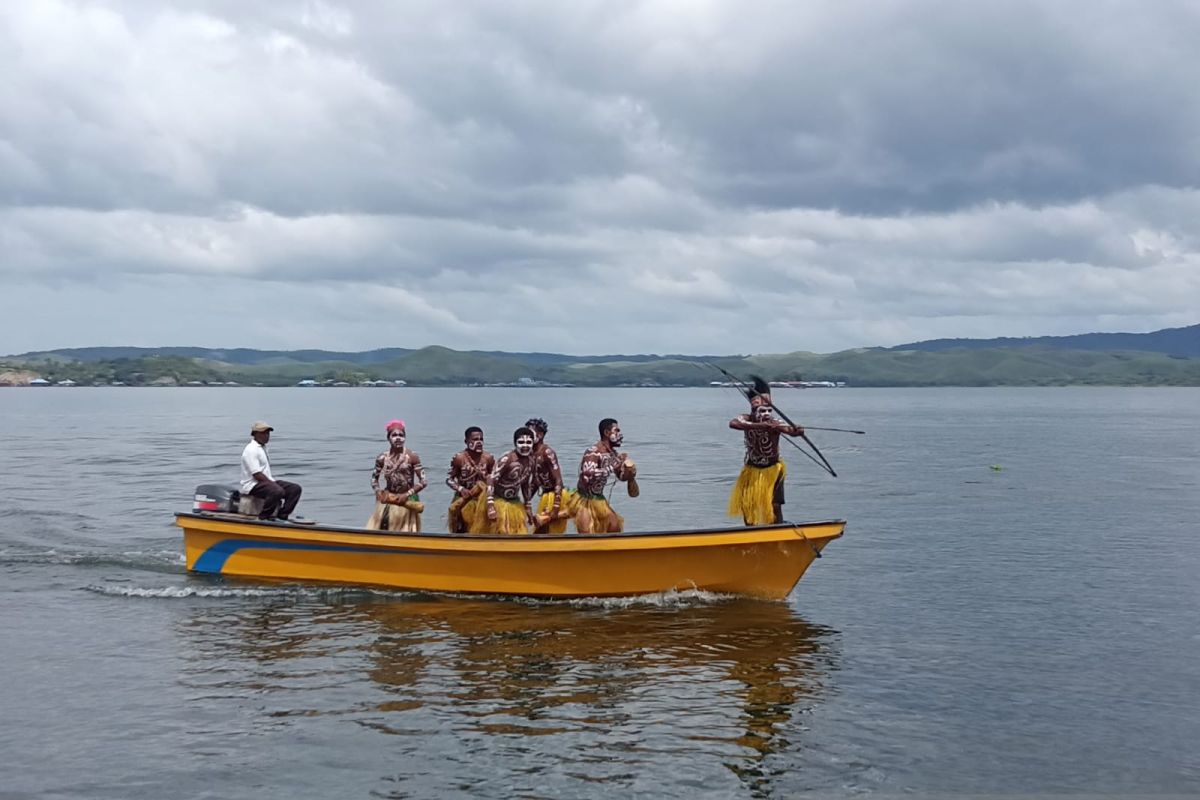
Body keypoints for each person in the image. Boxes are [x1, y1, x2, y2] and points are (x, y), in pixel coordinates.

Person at [728, 380, 804, 525]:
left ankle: (778, 530)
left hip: (773, 469)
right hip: (752, 469)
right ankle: (750, 531)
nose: (767, 414)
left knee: (775, 505)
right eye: (762, 411)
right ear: (753, 410)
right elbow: (733, 424)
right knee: (748, 504)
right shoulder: (746, 419)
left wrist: (798, 431)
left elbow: (789, 430)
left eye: (769, 410)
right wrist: (761, 425)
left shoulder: (775, 423)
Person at [574, 418, 637, 534]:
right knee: (587, 532)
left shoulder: (612, 454)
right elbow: (587, 476)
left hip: (599, 499)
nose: (619, 434)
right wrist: (612, 466)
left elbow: (620, 476)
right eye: (616, 431)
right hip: (584, 499)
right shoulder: (593, 452)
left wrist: (629, 473)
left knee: (614, 527)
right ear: (607, 433)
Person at [366, 420, 428, 532]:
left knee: (407, 531)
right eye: (394, 435)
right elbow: (374, 479)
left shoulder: (412, 456)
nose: (398, 438)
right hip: (389, 499)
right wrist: (377, 491)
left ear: (405, 437)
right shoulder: (382, 458)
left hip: (407, 500)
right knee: (383, 527)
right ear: (388, 438)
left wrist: (406, 494)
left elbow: (423, 481)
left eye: (401, 435)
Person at [240, 420, 303, 521]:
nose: (267, 436)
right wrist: (273, 485)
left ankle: (282, 516)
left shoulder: (262, 448)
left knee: (295, 489)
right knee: (277, 491)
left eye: (268, 433)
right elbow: (257, 474)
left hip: (266, 482)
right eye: (263, 433)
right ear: (255, 434)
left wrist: (272, 483)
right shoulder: (251, 449)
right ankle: (264, 517)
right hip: (252, 485)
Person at [526, 417, 578, 534]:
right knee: (540, 530)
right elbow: (535, 481)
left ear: (540, 435)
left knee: (547, 530)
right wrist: (526, 502)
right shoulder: (530, 454)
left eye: (530, 433)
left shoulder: (547, 453)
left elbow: (558, 480)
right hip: (545, 494)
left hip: (555, 495)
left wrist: (555, 507)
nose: (526, 436)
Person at [483, 427, 537, 535]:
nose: (525, 446)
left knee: (519, 532)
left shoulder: (531, 461)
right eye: (521, 442)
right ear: (515, 443)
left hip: (514, 502)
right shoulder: (507, 459)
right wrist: (490, 506)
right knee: (502, 532)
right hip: (498, 501)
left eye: (529, 442)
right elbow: (491, 480)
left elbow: (525, 484)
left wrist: (528, 507)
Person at [446, 426, 495, 533]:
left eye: (481, 439)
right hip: (463, 500)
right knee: (461, 530)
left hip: (482, 501)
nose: (479, 442)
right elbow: (449, 479)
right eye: (475, 439)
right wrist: (461, 489)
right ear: (466, 441)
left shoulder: (488, 458)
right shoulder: (459, 458)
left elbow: (494, 479)